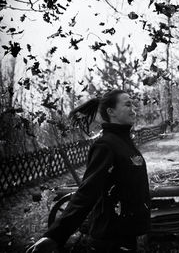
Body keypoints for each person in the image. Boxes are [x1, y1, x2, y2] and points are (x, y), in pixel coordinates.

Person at [26, 90, 151, 253]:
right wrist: (55, 236)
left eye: (133, 104)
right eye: (128, 104)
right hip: (111, 240)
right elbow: (87, 193)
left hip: (127, 235)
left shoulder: (124, 142)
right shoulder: (106, 146)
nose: (133, 108)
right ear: (111, 112)